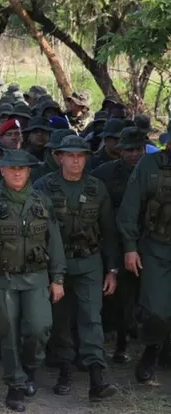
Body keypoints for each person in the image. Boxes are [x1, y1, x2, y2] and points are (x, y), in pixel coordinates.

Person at [0, 148, 66, 412]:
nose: (16, 173)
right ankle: (15, 385)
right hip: (1, 278)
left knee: (39, 328)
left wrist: (57, 278)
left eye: (22, 169)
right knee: (8, 332)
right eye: (11, 168)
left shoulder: (41, 201)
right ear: (1, 170)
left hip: (36, 276)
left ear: (29, 172)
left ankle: (31, 369)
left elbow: (55, 242)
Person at [33, 135, 118, 400]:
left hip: (89, 261)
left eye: (80, 155)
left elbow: (108, 230)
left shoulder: (96, 187)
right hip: (55, 264)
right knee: (60, 320)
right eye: (70, 155)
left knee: (91, 317)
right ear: (59, 157)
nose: (76, 160)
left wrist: (112, 269)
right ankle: (65, 369)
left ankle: (97, 375)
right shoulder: (44, 186)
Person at [117, 124, 171, 384]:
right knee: (155, 310)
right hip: (156, 246)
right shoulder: (149, 166)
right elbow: (129, 209)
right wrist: (130, 247)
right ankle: (151, 349)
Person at [91, 127, 146, 362]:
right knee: (121, 294)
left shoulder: (154, 170)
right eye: (129, 150)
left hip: (149, 241)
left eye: (138, 149)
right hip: (117, 241)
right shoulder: (105, 173)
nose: (134, 154)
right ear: (120, 151)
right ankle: (121, 342)